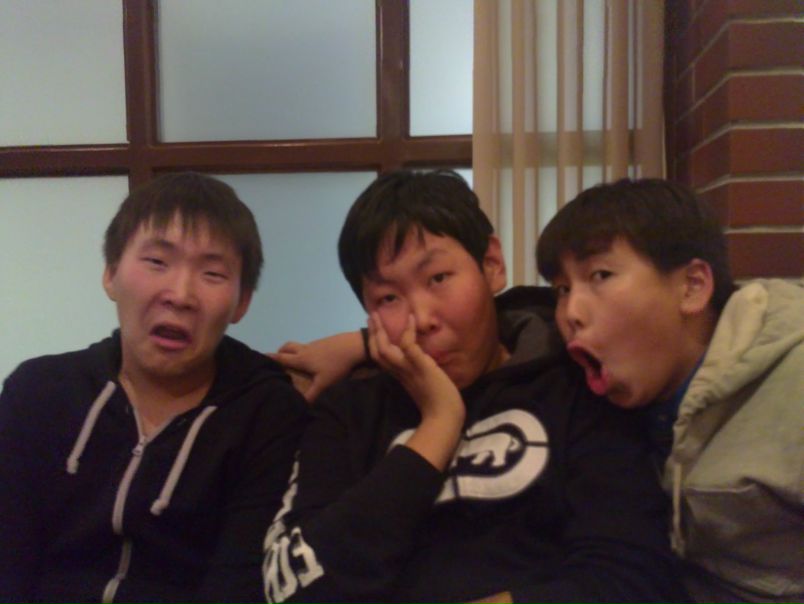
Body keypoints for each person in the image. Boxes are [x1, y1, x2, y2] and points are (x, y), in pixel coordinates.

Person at [274, 177, 803, 604]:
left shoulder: (577, 383)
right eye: (388, 298)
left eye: (438, 279)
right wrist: (438, 425)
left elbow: (632, 575)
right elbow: (295, 587)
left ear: (491, 265)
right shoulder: (349, 410)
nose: (422, 318)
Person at [0, 172, 308, 603]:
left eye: (212, 273)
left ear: (242, 302)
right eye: (157, 262)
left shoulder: (267, 414)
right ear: (111, 273)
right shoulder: (38, 393)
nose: (179, 295)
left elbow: (238, 585)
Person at [534, 178, 803, 604]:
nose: (570, 313)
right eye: (562, 289)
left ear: (692, 286)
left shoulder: (792, 384)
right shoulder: (592, 402)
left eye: (600, 275)